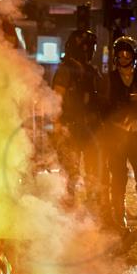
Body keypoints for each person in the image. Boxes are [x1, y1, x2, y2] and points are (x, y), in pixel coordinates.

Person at [103, 35, 137, 234]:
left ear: (134, 56)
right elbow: (103, 109)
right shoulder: (108, 79)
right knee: (118, 179)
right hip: (116, 136)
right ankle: (118, 219)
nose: (124, 58)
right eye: (121, 55)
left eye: (128, 54)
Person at [51, 28, 105, 214]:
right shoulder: (66, 70)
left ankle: (90, 212)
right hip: (71, 127)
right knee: (70, 174)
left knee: (92, 171)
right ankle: (68, 212)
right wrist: (58, 124)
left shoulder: (89, 70)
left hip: (89, 128)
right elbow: (57, 97)